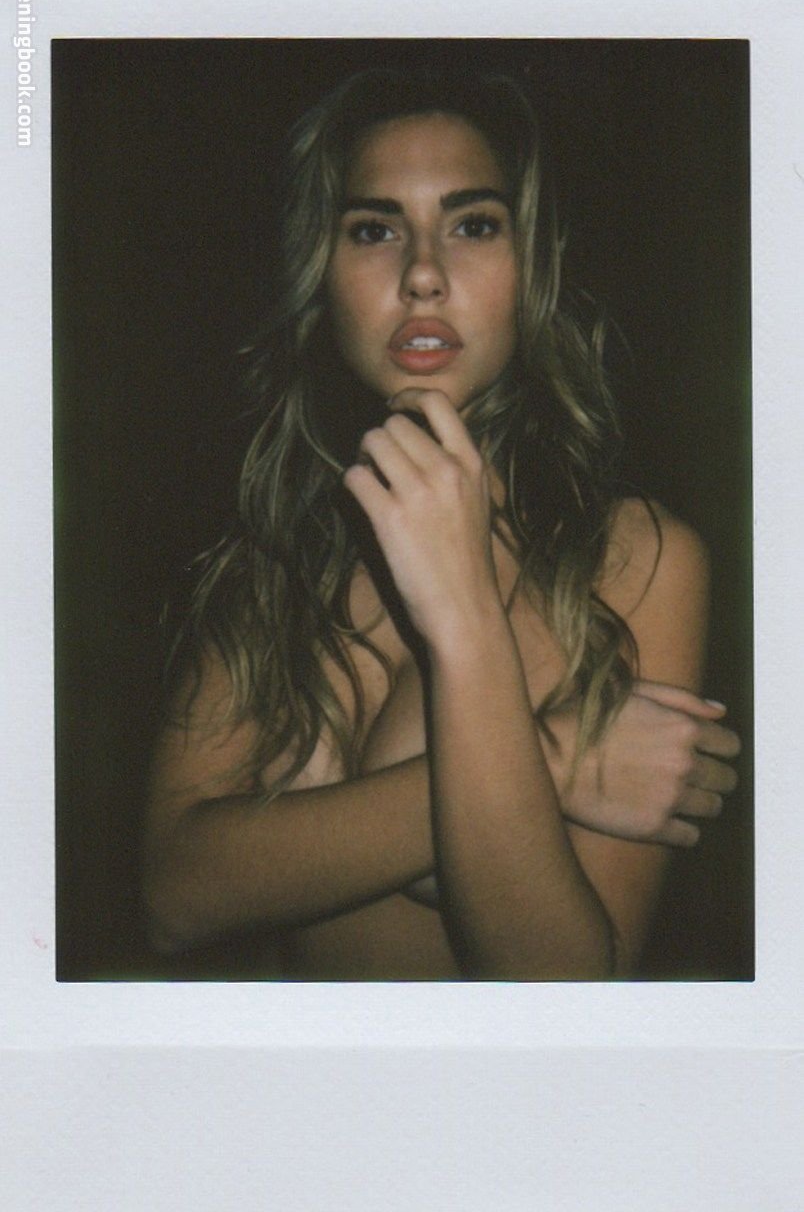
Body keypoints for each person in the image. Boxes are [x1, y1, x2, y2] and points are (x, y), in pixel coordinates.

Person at [144, 68, 740, 980]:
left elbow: (564, 989)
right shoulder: (270, 558)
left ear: (533, 263)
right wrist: (548, 760)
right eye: (374, 230)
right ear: (320, 270)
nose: (423, 275)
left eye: (474, 225)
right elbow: (174, 895)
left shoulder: (631, 559)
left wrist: (463, 611)